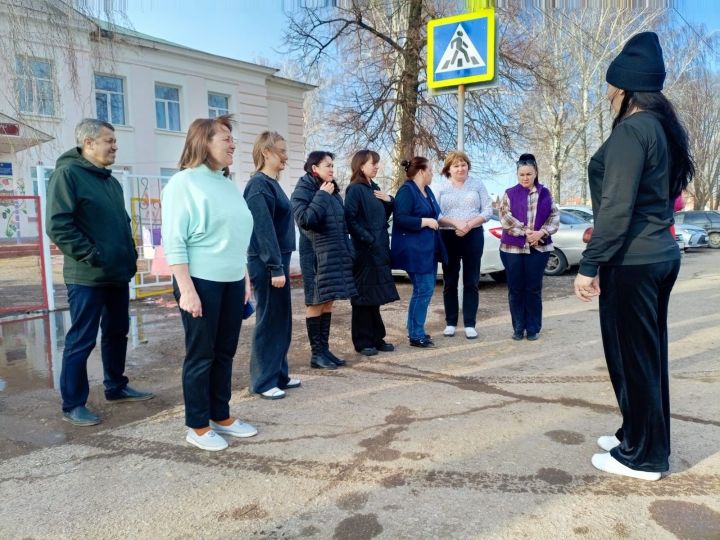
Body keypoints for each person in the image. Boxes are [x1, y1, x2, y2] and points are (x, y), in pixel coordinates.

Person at [574, 32, 694, 481]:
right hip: (657, 255)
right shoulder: (661, 129)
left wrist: (589, 266)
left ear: (623, 88)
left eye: (609, 86)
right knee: (643, 354)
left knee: (634, 356)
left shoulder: (632, 129)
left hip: (634, 259)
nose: (605, 93)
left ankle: (644, 457)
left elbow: (618, 205)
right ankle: (636, 435)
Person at [46, 118, 154, 427]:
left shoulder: (110, 181)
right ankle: (73, 403)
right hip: (87, 276)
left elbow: (121, 223)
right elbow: (58, 225)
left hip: (116, 274)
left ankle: (116, 386)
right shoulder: (67, 175)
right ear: (88, 143)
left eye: (114, 141)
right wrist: (91, 255)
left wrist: (129, 255)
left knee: (117, 333)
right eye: (109, 140)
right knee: (81, 339)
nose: (115, 146)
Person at [162, 114, 257, 451]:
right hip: (200, 281)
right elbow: (174, 241)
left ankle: (221, 415)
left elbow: (235, 235)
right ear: (204, 142)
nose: (233, 145)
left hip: (231, 280)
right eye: (225, 139)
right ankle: (198, 425)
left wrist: (244, 276)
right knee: (201, 354)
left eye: (233, 139)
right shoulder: (183, 183)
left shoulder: (225, 183)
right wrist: (186, 288)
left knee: (225, 352)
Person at [243, 131, 300, 400]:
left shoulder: (272, 184)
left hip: (277, 259)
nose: (286, 156)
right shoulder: (258, 186)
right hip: (267, 262)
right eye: (281, 151)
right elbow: (263, 230)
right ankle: (264, 382)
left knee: (281, 320)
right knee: (269, 320)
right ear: (266, 152)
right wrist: (275, 267)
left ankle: (279, 375)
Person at [291, 151, 356, 369]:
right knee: (315, 302)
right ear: (314, 169)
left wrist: (348, 251)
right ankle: (316, 354)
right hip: (316, 257)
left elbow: (341, 224)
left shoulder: (332, 190)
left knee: (328, 301)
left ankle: (325, 351)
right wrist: (322, 196)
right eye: (327, 165)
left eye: (332, 166)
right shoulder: (303, 191)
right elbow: (305, 220)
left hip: (334, 256)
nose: (331, 169)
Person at [344, 150, 400, 356]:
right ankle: (363, 341)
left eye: (376, 163)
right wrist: (368, 239)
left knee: (374, 296)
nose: (376, 166)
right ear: (360, 166)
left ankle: (377, 338)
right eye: (372, 163)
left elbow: (382, 216)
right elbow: (350, 219)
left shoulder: (373, 188)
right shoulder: (355, 189)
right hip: (364, 252)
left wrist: (390, 201)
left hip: (379, 250)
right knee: (362, 297)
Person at [499, 153, 559, 341]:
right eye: (522, 174)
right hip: (512, 250)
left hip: (538, 250)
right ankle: (518, 326)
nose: (525, 178)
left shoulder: (545, 193)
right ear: (517, 175)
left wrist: (541, 233)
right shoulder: (509, 193)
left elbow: (554, 217)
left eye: (529, 174)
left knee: (533, 289)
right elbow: (505, 218)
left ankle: (533, 327)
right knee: (515, 288)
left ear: (535, 173)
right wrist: (526, 232)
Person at [435, 150, 493, 339]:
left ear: (468, 166)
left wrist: (468, 225)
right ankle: (451, 322)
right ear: (448, 169)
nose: (461, 168)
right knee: (450, 281)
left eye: (463, 164)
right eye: (456, 165)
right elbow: (436, 213)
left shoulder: (477, 184)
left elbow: (487, 211)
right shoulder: (440, 187)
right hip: (448, 236)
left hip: (473, 235)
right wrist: (455, 223)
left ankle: (470, 323)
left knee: (471, 280)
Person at [390, 157, 445, 348]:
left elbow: (436, 214)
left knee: (425, 291)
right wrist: (424, 222)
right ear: (421, 171)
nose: (432, 173)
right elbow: (400, 218)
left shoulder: (427, 191)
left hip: (428, 249)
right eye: (430, 170)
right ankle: (415, 334)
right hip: (414, 251)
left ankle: (416, 330)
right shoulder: (407, 191)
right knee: (424, 289)